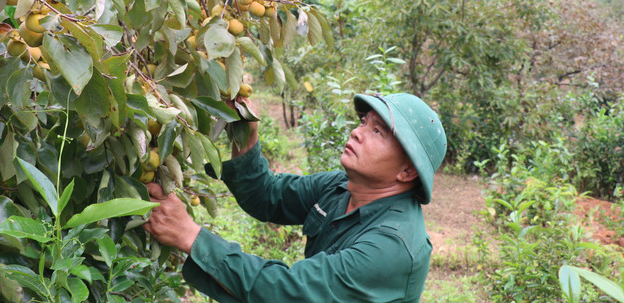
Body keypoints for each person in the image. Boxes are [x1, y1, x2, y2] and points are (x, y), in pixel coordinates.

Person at [143, 93, 447, 302]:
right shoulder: (341, 186)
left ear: (407, 170)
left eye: (378, 132)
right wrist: (247, 140)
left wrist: (190, 236)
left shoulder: (392, 247)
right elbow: (269, 196)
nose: (357, 133)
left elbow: (288, 292)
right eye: (363, 122)